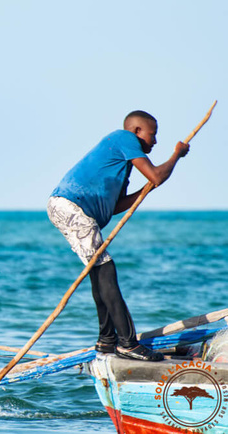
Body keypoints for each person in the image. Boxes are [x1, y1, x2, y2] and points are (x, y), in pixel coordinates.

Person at [47, 110, 189, 362]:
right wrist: (176, 155)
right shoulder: (124, 138)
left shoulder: (121, 166)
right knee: (106, 272)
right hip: (72, 207)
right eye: (152, 135)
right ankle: (128, 343)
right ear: (136, 131)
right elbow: (156, 175)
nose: (154, 141)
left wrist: (145, 190)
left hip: (71, 209)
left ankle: (107, 340)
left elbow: (115, 206)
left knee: (100, 274)